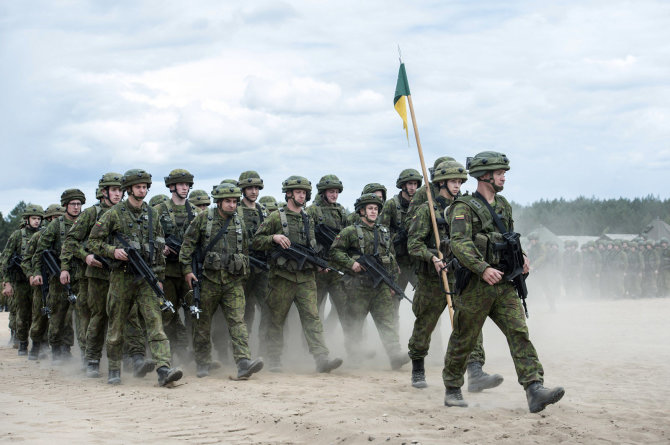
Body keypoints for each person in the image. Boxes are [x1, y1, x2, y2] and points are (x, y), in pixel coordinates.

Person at [442, 151, 564, 413]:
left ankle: (534, 388)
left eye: (503, 173)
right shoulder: (463, 207)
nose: (503, 177)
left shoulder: (503, 205)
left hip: (505, 283)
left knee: (519, 332)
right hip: (476, 284)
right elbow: (459, 243)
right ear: (484, 176)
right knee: (464, 337)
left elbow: (509, 237)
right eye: (499, 173)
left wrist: (522, 257)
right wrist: (482, 268)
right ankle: (452, 388)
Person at [407, 160, 500, 391]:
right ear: (441, 183)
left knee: (470, 323)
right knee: (425, 325)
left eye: (460, 181)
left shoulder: (464, 208)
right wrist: (433, 258)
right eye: (453, 181)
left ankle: (476, 372)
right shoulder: (426, 209)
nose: (457, 185)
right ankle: (418, 368)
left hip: (460, 277)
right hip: (432, 279)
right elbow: (413, 244)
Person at [88, 169, 182, 386]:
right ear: (129, 189)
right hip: (121, 277)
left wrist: (158, 276)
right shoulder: (114, 214)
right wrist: (113, 252)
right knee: (116, 324)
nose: (143, 190)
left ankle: (163, 369)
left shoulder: (153, 214)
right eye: (139, 186)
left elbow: (159, 248)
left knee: (155, 324)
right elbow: (92, 242)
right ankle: (114, 369)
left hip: (146, 279)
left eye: (145, 187)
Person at [252, 175, 343, 373]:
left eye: (304, 193)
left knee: (312, 318)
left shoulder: (308, 218)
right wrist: (274, 237)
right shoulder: (276, 217)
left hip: (306, 277)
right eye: (298, 192)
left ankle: (321, 358)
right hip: (282, 277)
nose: (302, 196)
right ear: (289, 194)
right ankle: (274, 358)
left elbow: (310, 248)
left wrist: (318, 264)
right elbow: (256, 241)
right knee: (276, 319)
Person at [179, 182, 264, 379]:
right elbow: (187, 246)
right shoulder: (203, 220)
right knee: (202, 323)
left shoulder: (239, 222)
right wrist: (186, 270)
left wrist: (243, 275)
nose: (232, 205)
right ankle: (202, 362)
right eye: (228, 201)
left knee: (237, 322)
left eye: (234, 201)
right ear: (219, 202)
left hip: (233, 282)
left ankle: (243, 362)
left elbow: (244, 251)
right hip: (207, 280)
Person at [329, 193, 409, 369]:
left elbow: (392, 259)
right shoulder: (350, 231)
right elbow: (334, 252)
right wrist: (352, 263)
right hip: (358, 286)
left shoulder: (384, 232)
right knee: (355, 323)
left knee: (387, 321)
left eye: (376, 209)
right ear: (362, 211)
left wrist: (392, 284)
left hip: (380, 286)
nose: (373, 212)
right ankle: (355, 355)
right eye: (370, 208)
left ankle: (395, 354)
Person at [34, 189, 86, 362]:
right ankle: (56, 347)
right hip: (58, 277)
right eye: (73, 204)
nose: (76, 207)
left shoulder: (86, 222)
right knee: (58, 313)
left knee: (80, 315)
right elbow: (40, 251)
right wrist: (36, 272)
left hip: (81, 275)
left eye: (79, 204)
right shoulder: (56, 226)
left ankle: (68, 348)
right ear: (65, 205)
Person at [155, 169, 199, 362]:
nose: (184, 188)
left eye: (187, 184)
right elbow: (147, 236)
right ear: (171, 186)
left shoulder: (196, 212)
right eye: (181, 184)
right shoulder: (158, 211)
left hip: (188, 271)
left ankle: (197, 355)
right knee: (167, 314)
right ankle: (165, 357)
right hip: (167, 272)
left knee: (195, 314)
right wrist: (160, 246)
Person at [307, 174, 349, 334]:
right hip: (318, 270)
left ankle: (355, 347)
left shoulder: (341, 211)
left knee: (345, 309)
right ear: (323, 192)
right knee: (313, 312)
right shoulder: (312, 211)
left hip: (337, 270)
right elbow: (307, 240)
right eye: (331, 191)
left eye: (337, 191)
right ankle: (310, 349)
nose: (334, 195)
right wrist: (316, 260)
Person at [379, 169, 421, 332]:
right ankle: (393, 341)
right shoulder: (391, 204)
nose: (412, 187)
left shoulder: (420, 204)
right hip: (396, 261)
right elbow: (381, 231)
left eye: (415, 184)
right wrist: (397, 237)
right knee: (393, 302)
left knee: (426, 299)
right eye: (410, 184)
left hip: (415, 261)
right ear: (403, 186)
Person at [1, 204, 44, 355]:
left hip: (39, 281)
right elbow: (5, 261)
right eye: (34, 218)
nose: (36, 221)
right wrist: (7, 283)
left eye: (39, 218)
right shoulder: (17, 235)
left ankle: (38, 343)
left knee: (39, 313)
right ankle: (22, 342)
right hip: (21, 282)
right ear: (27, 219)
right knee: (22, 313)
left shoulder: (44, 234)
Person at [236, 171, 270, 349]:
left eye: (256, 188)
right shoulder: (236, 210)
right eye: (250, 188)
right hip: (243, 269)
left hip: (262, 268)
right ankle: (242, 348)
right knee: (244, 310)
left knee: (268, 307)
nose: (253, 191)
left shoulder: (263, 211)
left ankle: (265, 346)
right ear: (243, 189)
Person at [24, 204, 63, 360]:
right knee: (40, 315)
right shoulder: (39, 237)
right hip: (43, 281)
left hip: (60, 280)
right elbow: (27, 260)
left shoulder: (67, 235)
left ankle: (59, 349)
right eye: (54, 218)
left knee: (60, 317)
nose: (57, 221)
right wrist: (33, 274)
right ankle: (36, 344)